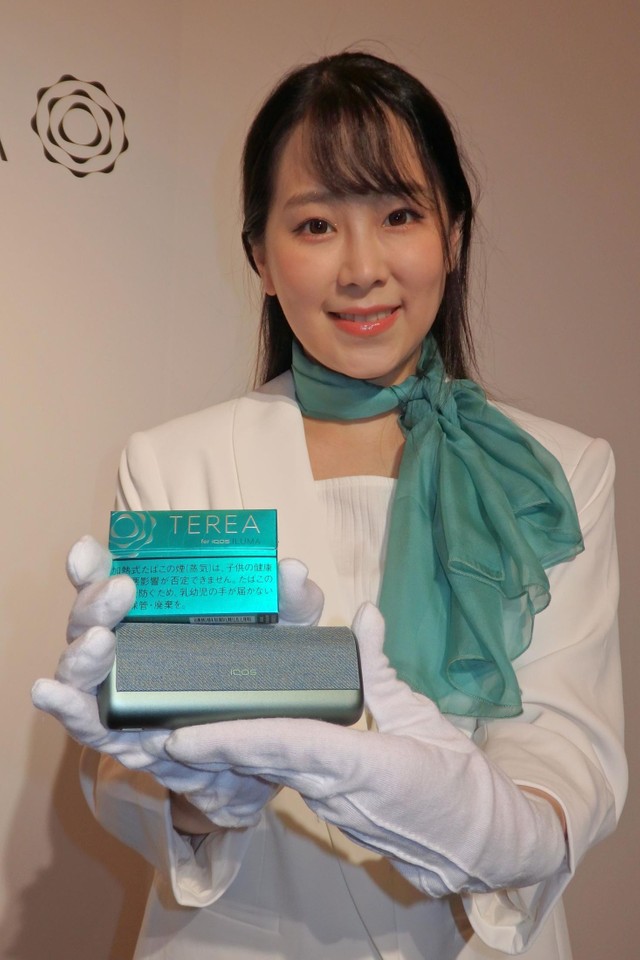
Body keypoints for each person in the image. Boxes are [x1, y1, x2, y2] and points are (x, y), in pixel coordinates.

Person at [32, 51, 626, 959]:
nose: (361, 268)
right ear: (262, 259)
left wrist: (487, 827)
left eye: (399, 215)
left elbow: (568, 746)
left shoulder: (559, 469)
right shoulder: (176, 462)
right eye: (315, 225)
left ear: (453, 234)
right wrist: (199, 798)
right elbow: (137, 754)